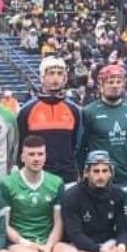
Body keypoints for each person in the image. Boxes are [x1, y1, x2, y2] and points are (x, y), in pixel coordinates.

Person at [17, 56, 83, 184]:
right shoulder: (27, 110)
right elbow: (21, 147)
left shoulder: (74, 110)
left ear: (65, 78)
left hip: (68, 177)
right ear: (42, 77)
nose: (55, 78)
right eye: (51, 73)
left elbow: (77, 145)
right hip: (37, 178)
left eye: (60, 74)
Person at [81, 63, 127, 190]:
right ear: (101, 85)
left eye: (118, 81)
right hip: (99, 180)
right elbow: (82, 147)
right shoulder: (89, 112)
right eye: (110, 82)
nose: (115, 85)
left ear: (123, 84)